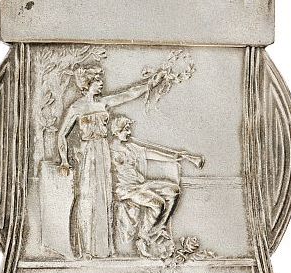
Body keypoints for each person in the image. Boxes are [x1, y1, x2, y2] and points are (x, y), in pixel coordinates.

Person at [56, 67, 148, 259]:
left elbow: (128, 94)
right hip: (87, 152)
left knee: (104, 196)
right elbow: (62, 134)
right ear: (88, 83)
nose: (101, 84)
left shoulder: (103, 103)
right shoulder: (77, 108)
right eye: (98, 81)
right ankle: (86, 249)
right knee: (87, 196)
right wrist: (64, 160)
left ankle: (104, 248)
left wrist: (150, 84)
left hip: (102, 150)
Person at [110, 115, 201, 258]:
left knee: (174, 191)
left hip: (140, 185)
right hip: (125, 190)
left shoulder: (133, 148)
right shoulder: (108, 150)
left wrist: (180, 156)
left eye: (129, 129)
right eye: (126, 129)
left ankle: (156, 229)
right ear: (116, 131)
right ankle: (143, 238)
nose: (129, 132)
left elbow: (155, 154)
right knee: (158, 203)